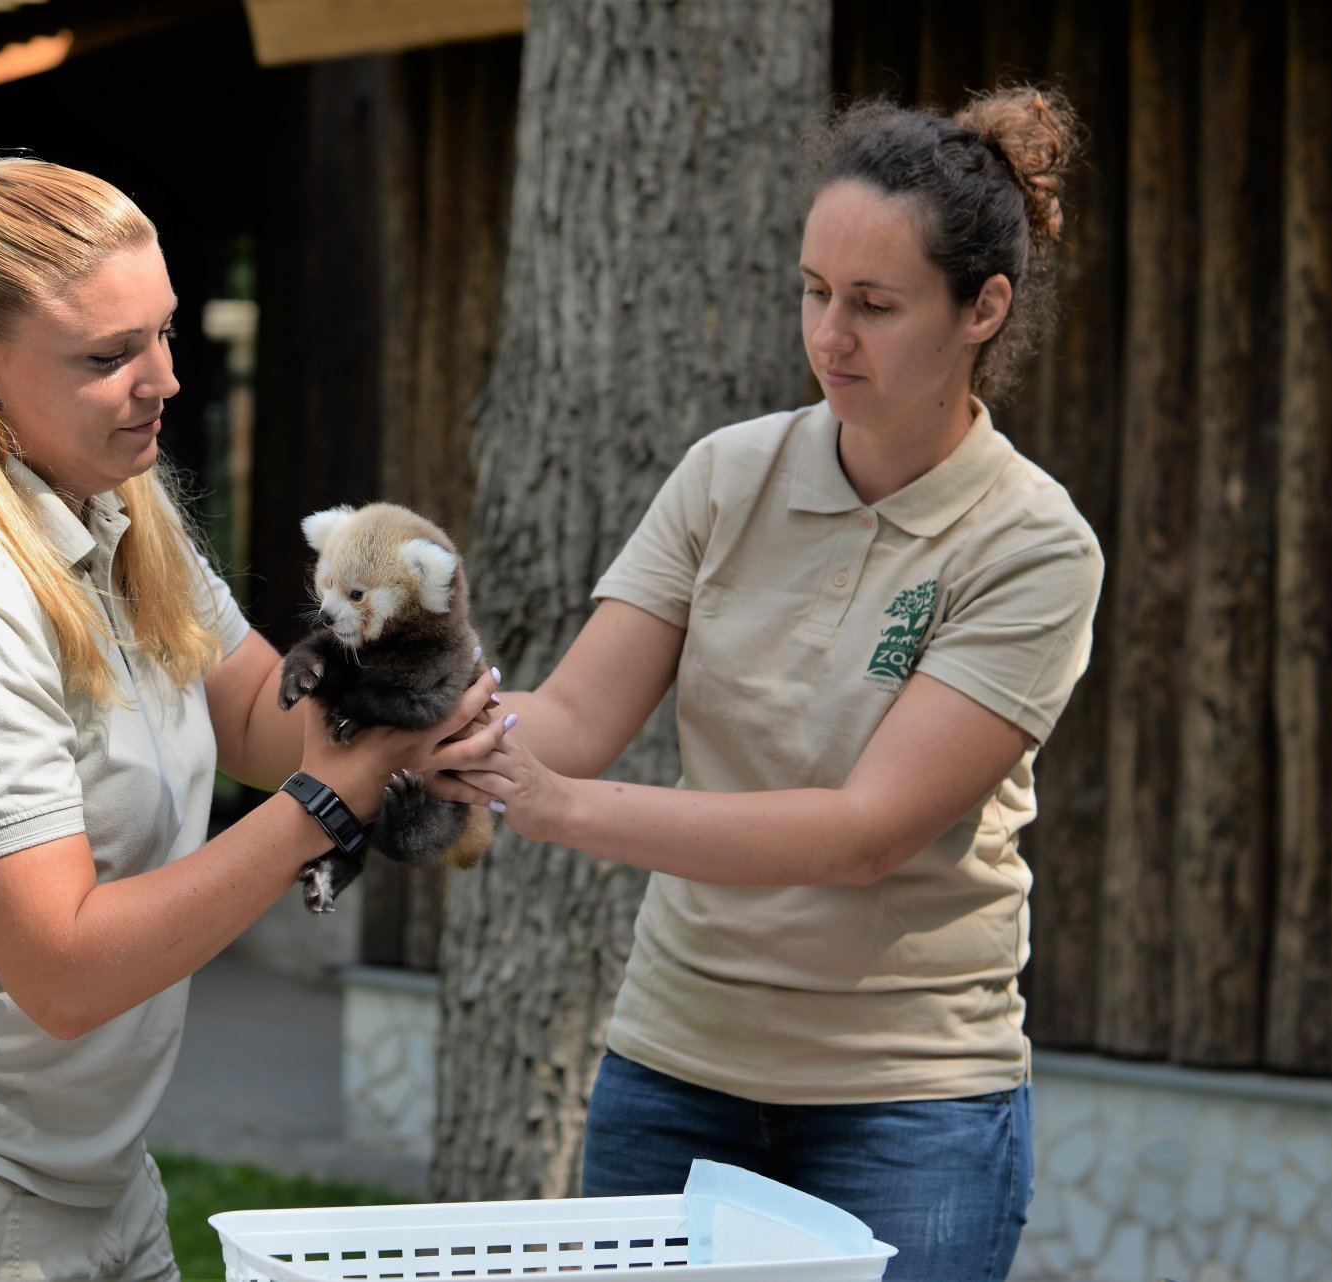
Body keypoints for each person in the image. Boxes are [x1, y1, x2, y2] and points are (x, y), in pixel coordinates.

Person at [0, 156, 504, 1282]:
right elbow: (66, 969)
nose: (166, 380)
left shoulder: (116, 512)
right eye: (109, 356)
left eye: (165, 332)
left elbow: (257, 714)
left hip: (88, 1168)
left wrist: (426, 708)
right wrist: (327, 804)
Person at [441, 88, 1100, 1281]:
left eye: (874, 305)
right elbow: (573, 719)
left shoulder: (1032, 546)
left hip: (908, 1105)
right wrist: (421, 714)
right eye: (813, 291)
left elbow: (861, 835)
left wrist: (556, 806)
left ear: (984, 308)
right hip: (673, 1072)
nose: (829, 335)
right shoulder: (725, 476)